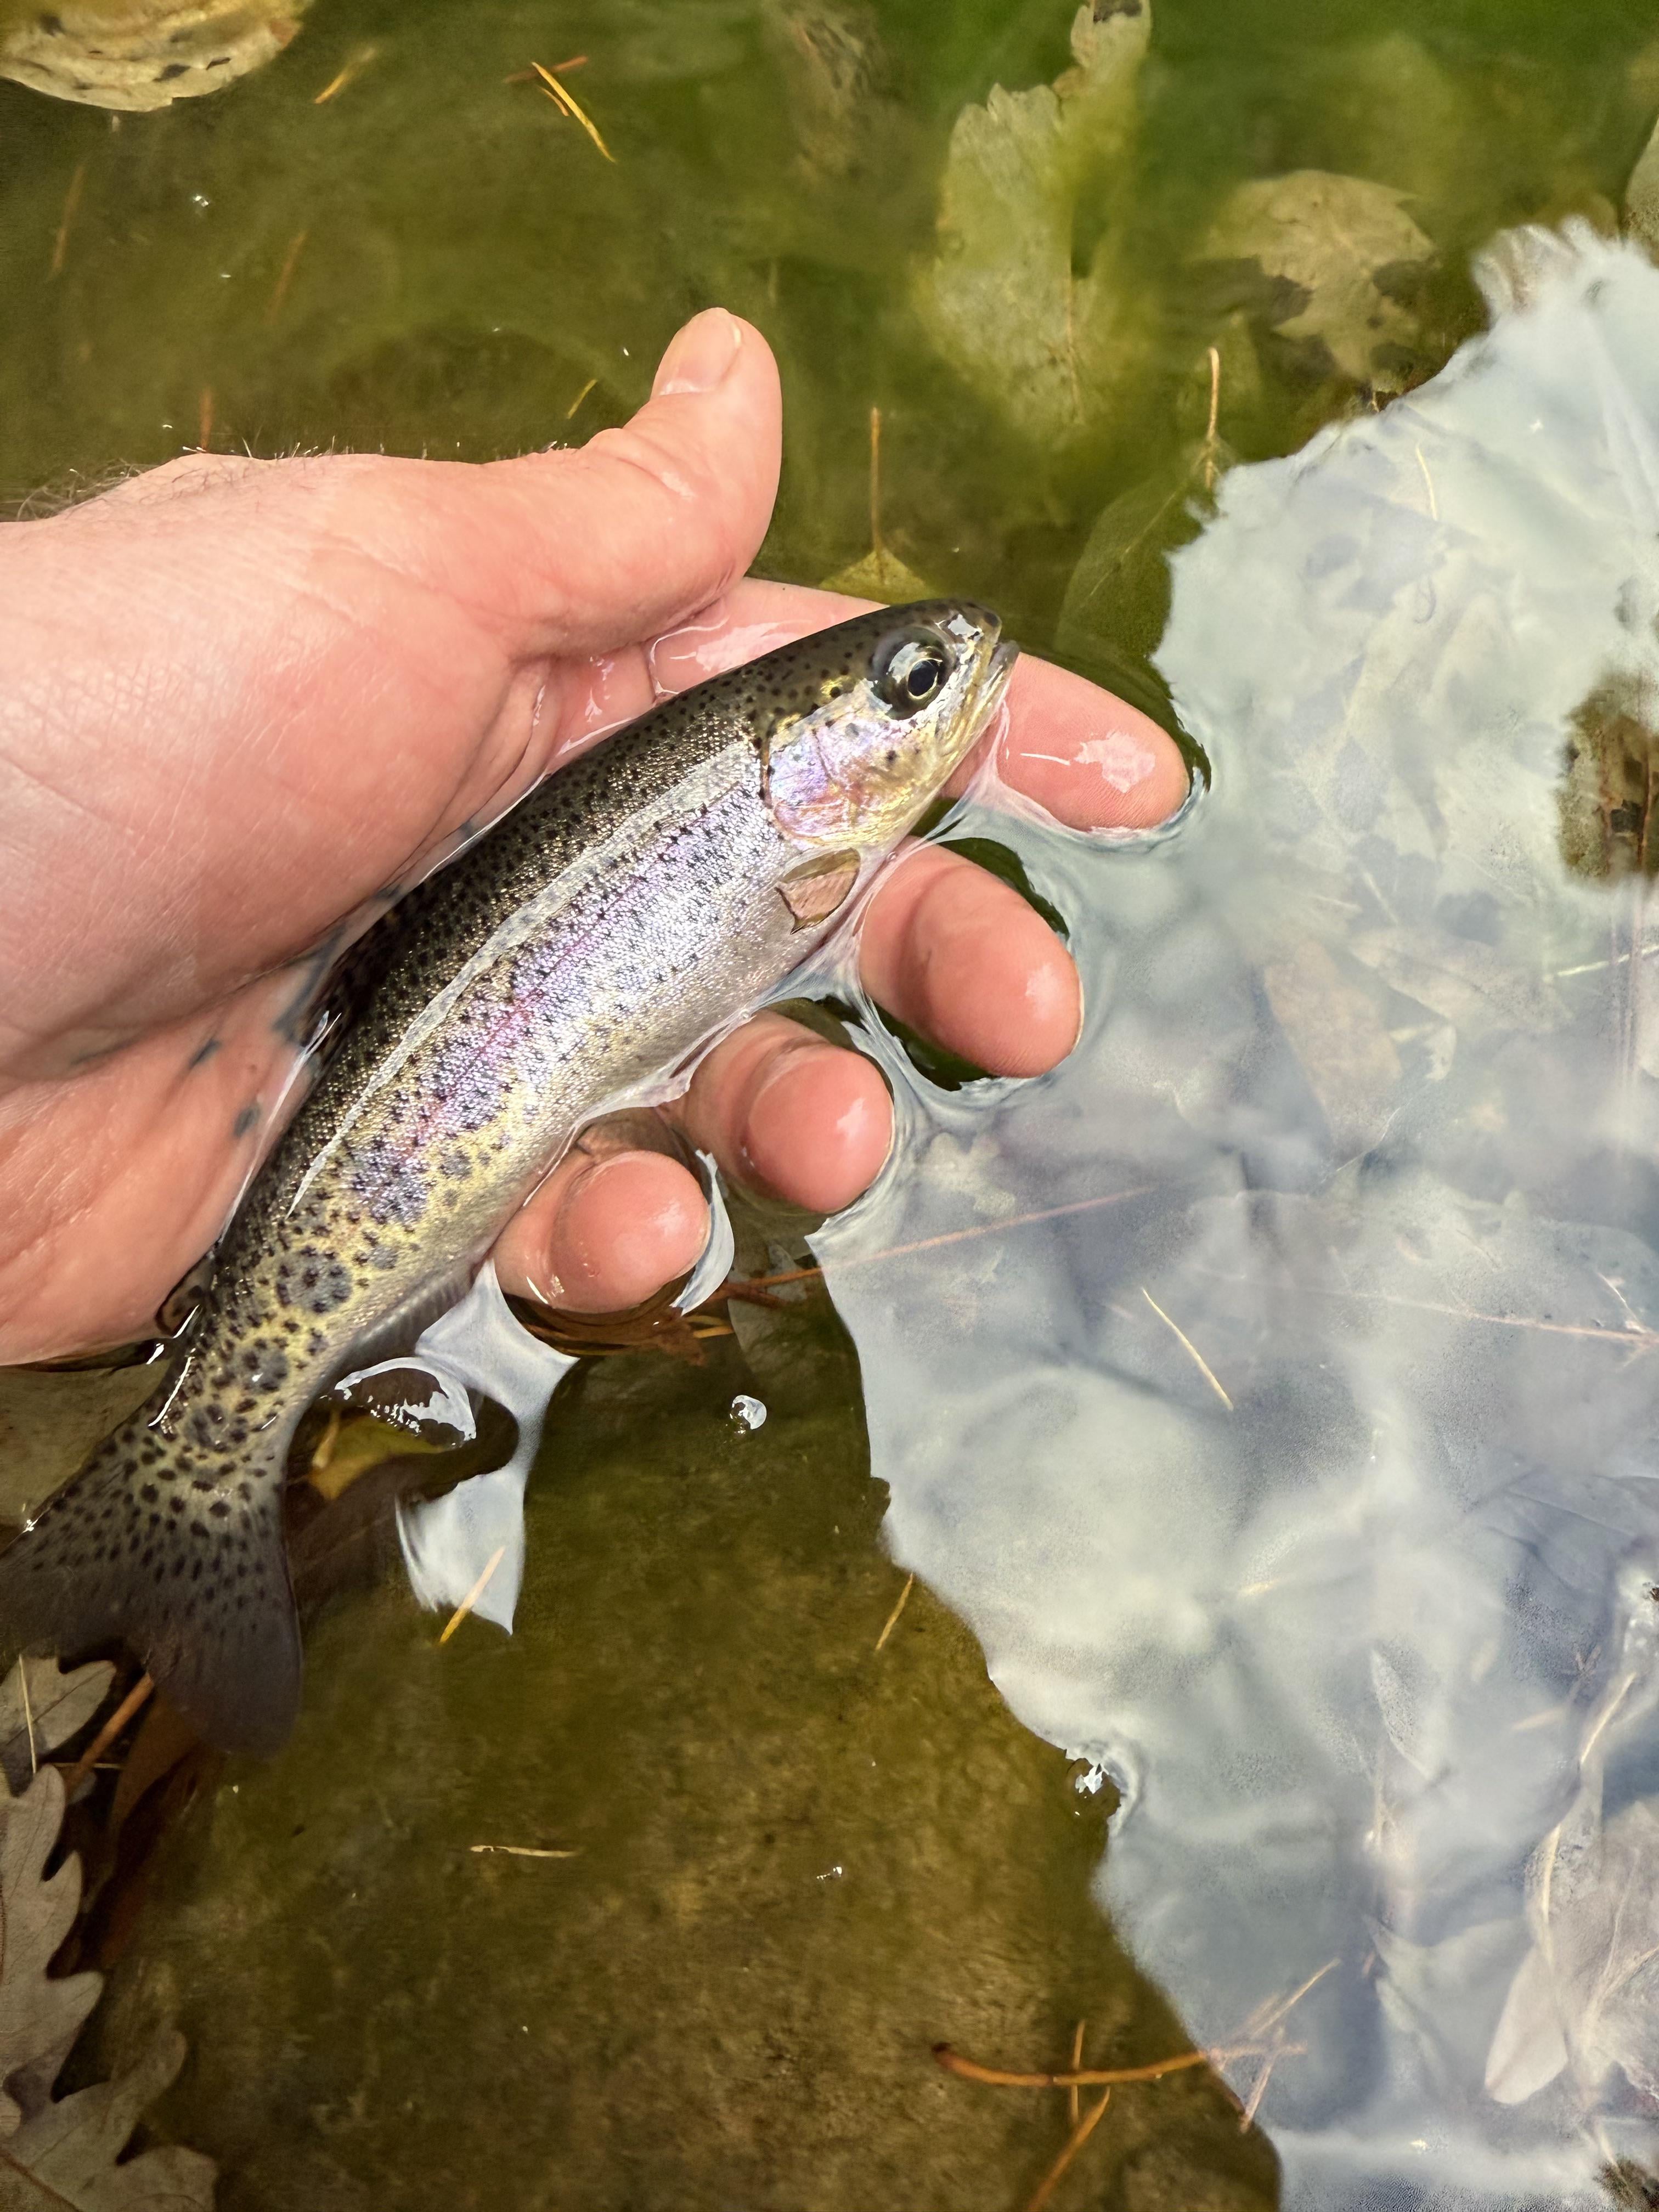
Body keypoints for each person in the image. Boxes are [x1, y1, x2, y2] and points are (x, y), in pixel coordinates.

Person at [0, 309, 1188, 1366]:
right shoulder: (790, 829)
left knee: (680, 1197)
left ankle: (238, 1395)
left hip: (283, 1135)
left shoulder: (803, 826)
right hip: (321, 1139)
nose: (946, 677)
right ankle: (236, 1412)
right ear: (798, 753)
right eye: (912, 683)